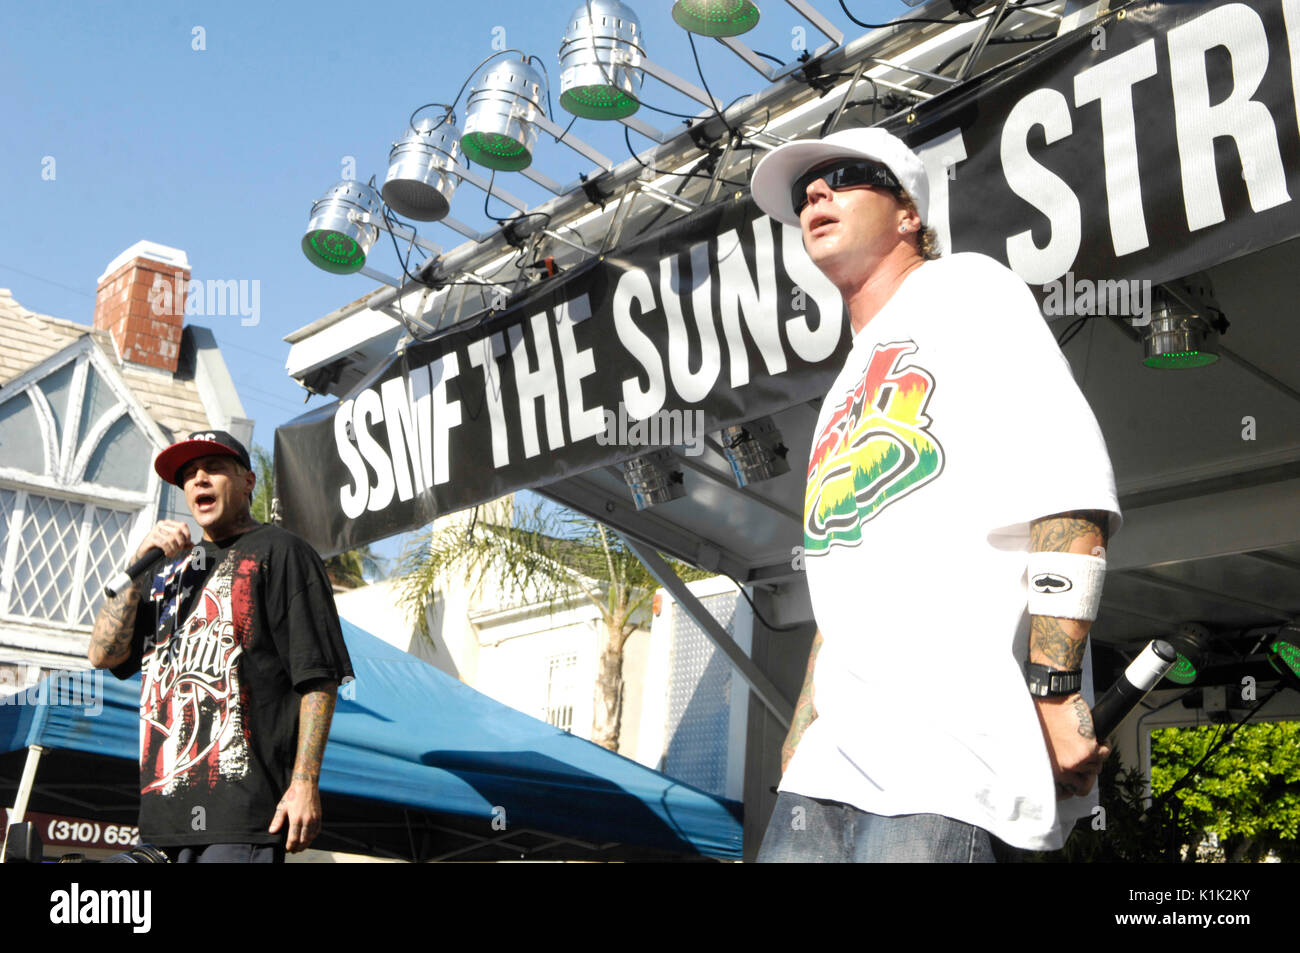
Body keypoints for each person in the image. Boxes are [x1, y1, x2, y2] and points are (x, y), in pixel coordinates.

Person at [748, 128, 1121, 861]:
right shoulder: (845, 381)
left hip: (946, 759)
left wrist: (1053, 689)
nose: (816, 195)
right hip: (828, 766)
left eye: (845, 177)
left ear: (910, 213)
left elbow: (1068, 485)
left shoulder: (966, 288)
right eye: (803, 194)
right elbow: (852, 562)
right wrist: (803, 721)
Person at [88, 430, 353, 863]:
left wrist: (304, 783)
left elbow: (318, 677)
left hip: (242, 820)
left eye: (213, 468)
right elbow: (103, 654)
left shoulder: (282, 552)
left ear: (248, 481)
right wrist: (138, 568)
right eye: (189, 475)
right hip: (160, 824)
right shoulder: (167, 572)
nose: (199, 480)